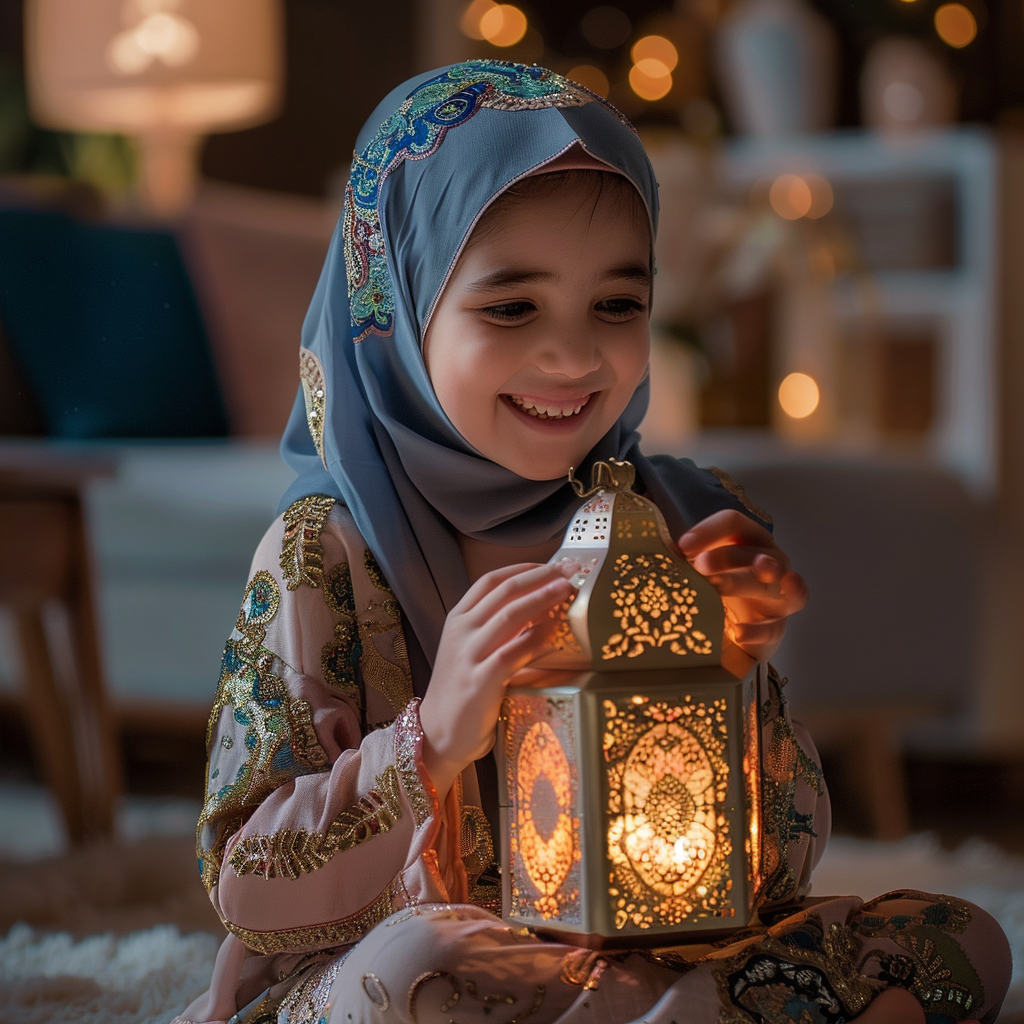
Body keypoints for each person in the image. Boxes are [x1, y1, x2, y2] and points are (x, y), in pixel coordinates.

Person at [174, 61, 1010, 1024]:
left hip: (656, 956)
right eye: (511, 307)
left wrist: (730, 676)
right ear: (394, 314)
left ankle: (669, 1009)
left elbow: (779, 864)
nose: (573, 358)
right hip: (438, 966)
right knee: (415, 971)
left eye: (617, 305)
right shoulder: (324, 555)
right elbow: (250, 885)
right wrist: (433, 739)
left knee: (959, 941)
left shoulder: (678, 523)